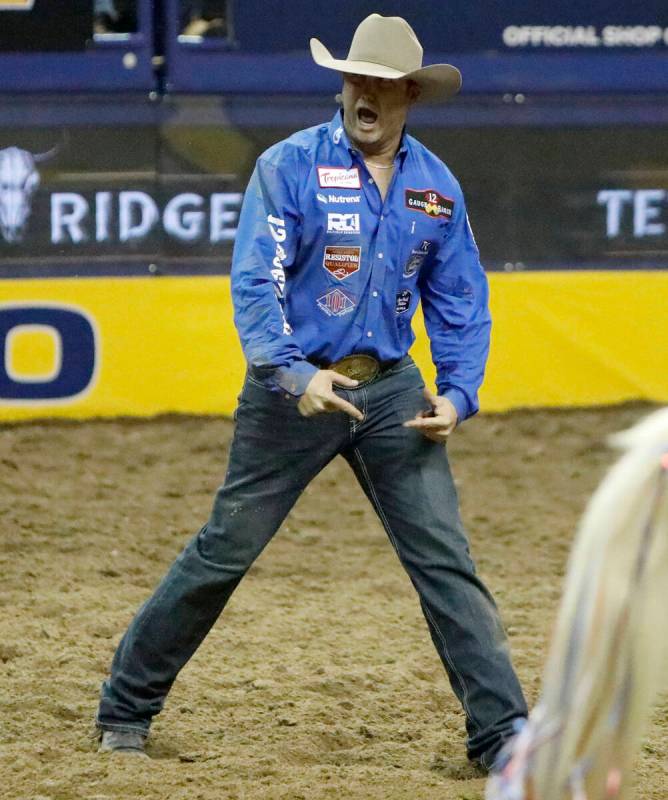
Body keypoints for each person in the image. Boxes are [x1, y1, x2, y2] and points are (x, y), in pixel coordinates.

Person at [95, 13, 528, 769]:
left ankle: (502, 738)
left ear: (408, 98)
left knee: (445, 562)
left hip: (393, 392)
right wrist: (293, 374)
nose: (366, 93)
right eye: (357, 78)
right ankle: (124, 709)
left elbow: (460, 297)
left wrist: (458, 394)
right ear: (342, 84)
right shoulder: (287, 167)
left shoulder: (436, 187)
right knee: (225, 550)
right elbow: (255, 285)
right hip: (291, 393)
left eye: (383, 84)